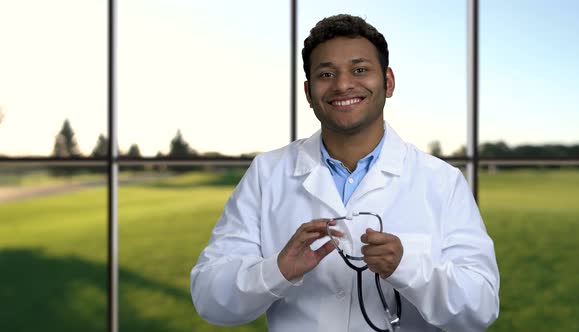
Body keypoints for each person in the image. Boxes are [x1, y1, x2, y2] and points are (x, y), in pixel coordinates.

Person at [191, 14, 499, 332]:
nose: (342, 84)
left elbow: (480, 308)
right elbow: (209, 298)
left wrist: (407, 267)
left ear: (388, 82)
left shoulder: (442, 182)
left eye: (360, 69)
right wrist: (276, 271)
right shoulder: (266, 174)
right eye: (326, 74)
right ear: (309, 92)